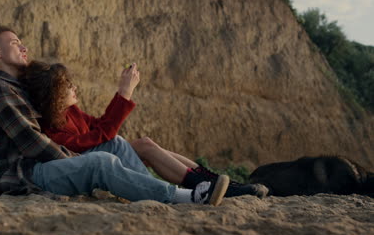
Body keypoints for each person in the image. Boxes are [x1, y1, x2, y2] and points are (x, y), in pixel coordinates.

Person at [0, 25, 230, 206]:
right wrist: (81, 159)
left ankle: (154, 191)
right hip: (22, 177)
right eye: (14, 43)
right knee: (100, 161)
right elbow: (34, 145)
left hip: (42, 166)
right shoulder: (1, 92)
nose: (24, 47)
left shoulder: (19, 88)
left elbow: (97, 131)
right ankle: (183, 196)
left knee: (115, 143)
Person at [22, 60, 268, 197]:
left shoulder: (69, 112)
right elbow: (102, 136)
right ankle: (200, 186)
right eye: (67, 85)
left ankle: (212, 182)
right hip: (83, 167)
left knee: (144, 144)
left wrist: (123, 94)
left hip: (99, 159)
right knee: (126, 144)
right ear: (54, 95)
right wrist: (124, 93)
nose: (74, 87)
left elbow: (100, 128)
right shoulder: (53, 130)